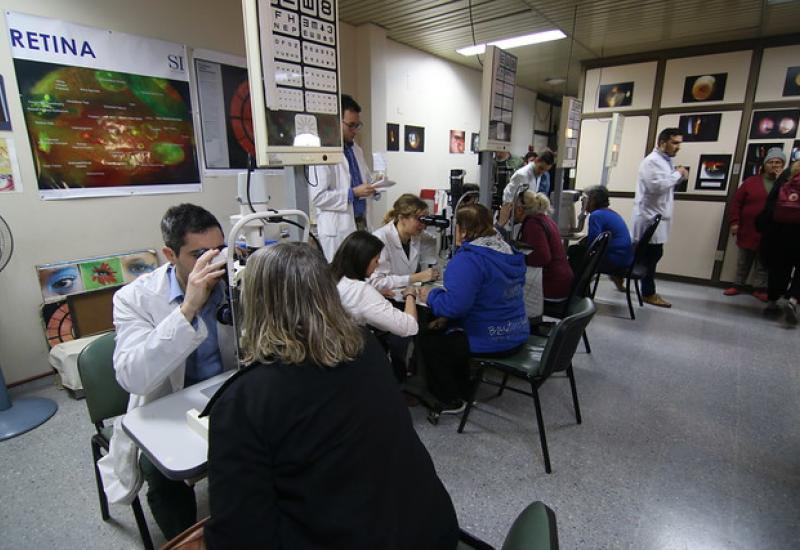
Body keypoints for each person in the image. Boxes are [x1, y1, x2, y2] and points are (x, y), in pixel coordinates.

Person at [203, 243, 459, 549]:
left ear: (254, 303)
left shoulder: (244, 402)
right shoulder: (365, 348)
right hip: (431, 526)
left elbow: (238, 535)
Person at [98, 204, 237, 540]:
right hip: (165, 407)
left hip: (226, 394)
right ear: (169, 255)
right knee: (160, 474)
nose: (213, 262)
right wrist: (188, 308)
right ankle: (187, 539)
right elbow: (133, 377)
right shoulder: (134, 298)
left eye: (219, 251)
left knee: (260, 449)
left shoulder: (234, 282)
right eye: (199, 254)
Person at [419, 204, 528, 412]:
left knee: (431, 339)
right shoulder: (507, 251)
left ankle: (450, 399)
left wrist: (431, 295)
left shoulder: (469, 259)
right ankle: (465, 385)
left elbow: (453, 307)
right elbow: (487, 298)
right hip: (516, 332)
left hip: (490, 340)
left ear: (462, 229)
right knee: (448, 328)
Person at [332, 231, 419, 382]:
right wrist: (410, 294)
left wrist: (375, 293)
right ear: (362, 260)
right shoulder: (361, 291)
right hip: (348, 355)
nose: (378, 265)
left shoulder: (330, 274)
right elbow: (409, 326)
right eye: (376, 260)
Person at [309, 94, 379, 261]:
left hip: (360, 223)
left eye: (358, 125)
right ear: (336, 121)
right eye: (351, 126)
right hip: (338, 228)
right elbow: (318, 197)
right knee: (341, 279)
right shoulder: (323, 152)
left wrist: (375, 185)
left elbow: (366, 179)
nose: (355, 131)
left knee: (360, 275)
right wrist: (353, 193)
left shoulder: (356, 150)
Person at [631, 127, 689, 308]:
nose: (678, 147)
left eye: (679, 143)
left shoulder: (664, 161)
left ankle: (620, 273)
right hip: (649, 217)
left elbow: (665, 186)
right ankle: (648, 292)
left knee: (645, 254)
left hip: (657, 216)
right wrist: (678, 174)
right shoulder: (652, 162)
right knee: (652, 255)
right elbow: (656, 187)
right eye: (675, 142)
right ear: (662, 142)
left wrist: (676, 175)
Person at [725, 147, 785, 301]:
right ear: (765, 164)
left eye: (778, 162)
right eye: (771, 162)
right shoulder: (751, 182)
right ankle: (737, 285)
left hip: (771, 230)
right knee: (744, 259)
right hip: (748, 228)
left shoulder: (786, 184)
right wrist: (734, 222)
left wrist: (781, 181)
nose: (774, 165)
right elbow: (736, 203)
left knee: (763, 261)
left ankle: (760, 288)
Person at [498, 191, 573, 300]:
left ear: (519, 210)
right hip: (562, 281)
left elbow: (542, 258)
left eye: (511, 208)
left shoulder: (533, 224)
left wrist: (515, 258)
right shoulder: (544, 219)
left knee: (501, 291)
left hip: (552, 285)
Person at [756, 159, 800, 325]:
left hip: (780, 230)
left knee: (779, 266)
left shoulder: (788, 174)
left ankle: (772, 302)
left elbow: (771, 203)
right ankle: (793, 299)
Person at [370, 194, 439, 292]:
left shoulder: (417, 235)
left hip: (407, 294)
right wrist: (416, 277)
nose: (423, 225)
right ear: (402, 218)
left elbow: (435, 241)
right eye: (419, 219)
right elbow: (377, 282)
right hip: (386, 298)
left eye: (425, 219)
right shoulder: (380, 238)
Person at [583, 185, 634, 290]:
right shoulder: (610, 213)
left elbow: (592, 245)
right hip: (625, 258)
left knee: (575, 255)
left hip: (614, 260)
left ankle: (578, 292)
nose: (583, 203)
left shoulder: (596, 215)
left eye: (585, 199)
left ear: (592, 200)